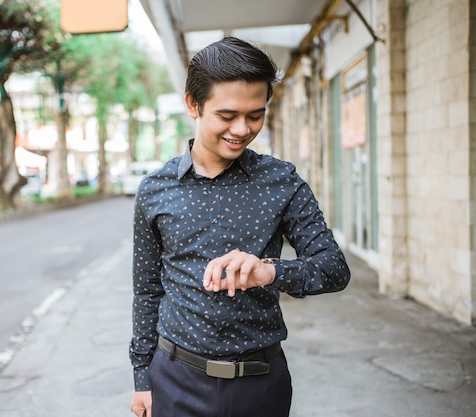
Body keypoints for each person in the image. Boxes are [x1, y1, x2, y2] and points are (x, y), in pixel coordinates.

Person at [129, 37, 351, 417]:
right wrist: (142, 380)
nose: (242, 129)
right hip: (175, 381)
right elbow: (148, 290)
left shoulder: (282, 181)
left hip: (261, 383)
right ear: (193, 104)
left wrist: (270, 271)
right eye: (227, 115)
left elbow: (334, 268)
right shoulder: (154, 190)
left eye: (255, 114)